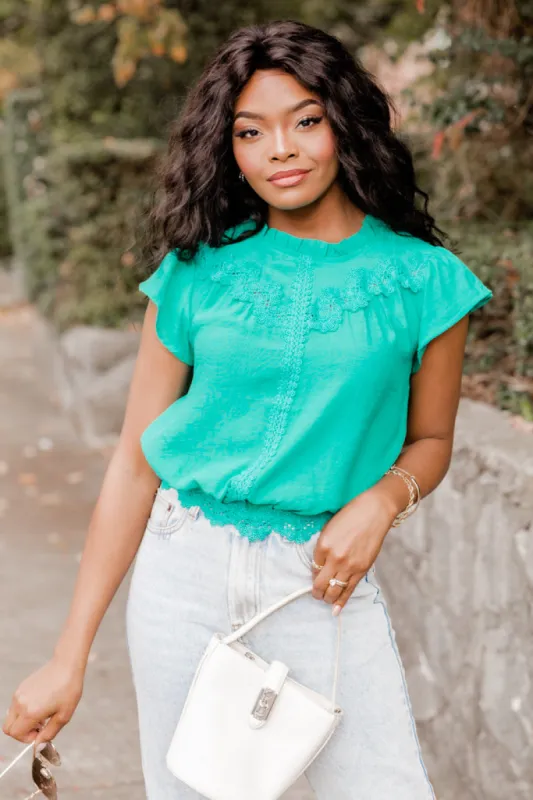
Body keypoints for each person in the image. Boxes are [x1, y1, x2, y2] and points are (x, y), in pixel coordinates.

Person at [3, 19, 492, 800]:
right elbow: (135, 462)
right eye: (250, 131)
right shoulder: (194, 271)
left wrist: (380, 501)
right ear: (227, 147)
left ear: (343, 124)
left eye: (305, 121)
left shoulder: (426, 282)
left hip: (320, 585)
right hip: (182, 569)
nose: (281, 150)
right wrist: (69, 656)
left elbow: (430, 439)